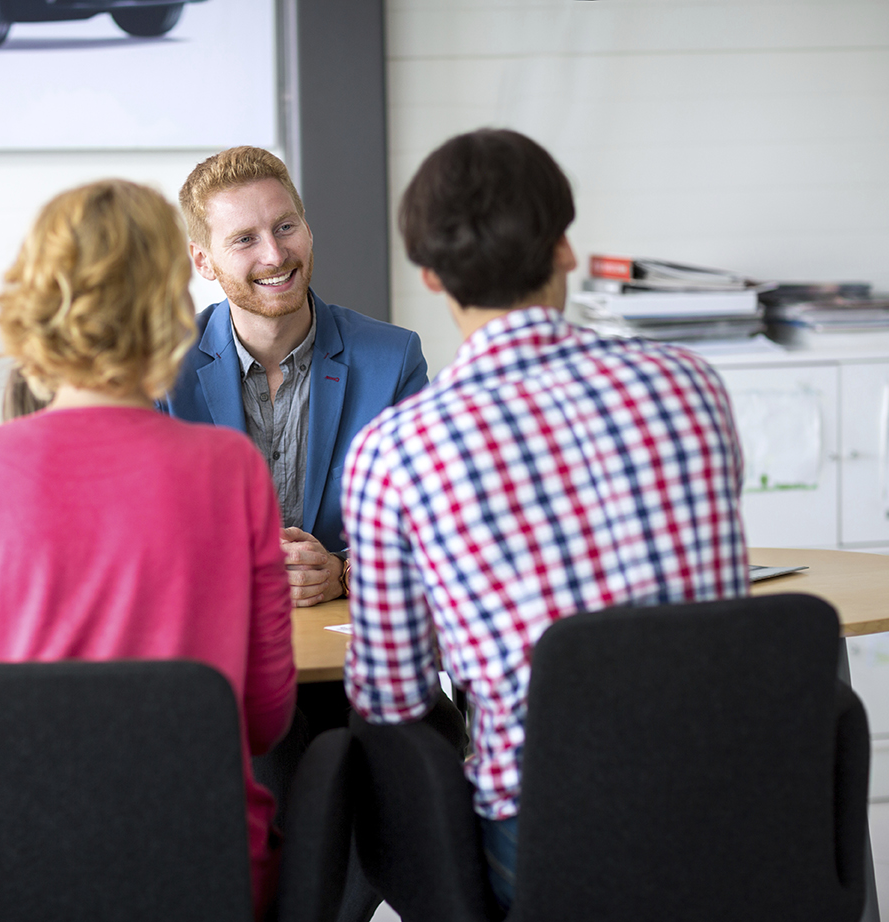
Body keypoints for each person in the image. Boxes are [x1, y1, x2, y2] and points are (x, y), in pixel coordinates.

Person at [342, 129, 751, 910]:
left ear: (429, 277)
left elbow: (391, 700)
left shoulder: (396, 451)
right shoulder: (692, 383)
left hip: (557, 838)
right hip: (742, 809)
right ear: (565, 249)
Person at [0, 179, 297, 920]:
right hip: (201, 864)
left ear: (36, 300)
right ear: (169, 305)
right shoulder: (233, 470)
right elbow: (261, 719)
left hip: (15, 866)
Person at [161, 146, 428, 610]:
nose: (275, 254)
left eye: (285, 227)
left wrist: (345, 573)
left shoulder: (393, 359)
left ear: (307, 229)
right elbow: (137, 533)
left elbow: (434, 524)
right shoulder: (162, 371)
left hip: (346, 656)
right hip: (219, 656)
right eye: (244, 239)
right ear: (203, 262)